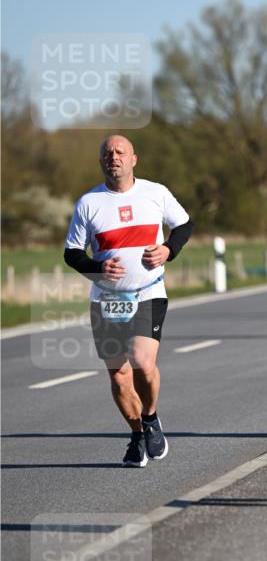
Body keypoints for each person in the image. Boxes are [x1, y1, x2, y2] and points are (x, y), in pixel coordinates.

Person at [64, 135, 193, 467]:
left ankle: (150, 417)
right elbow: (72, 253)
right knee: (119, 376)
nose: (114, 157)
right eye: (107, 153)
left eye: (120, 152)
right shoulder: (88, 203)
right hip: (105, 300)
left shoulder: (155, 192)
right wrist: (97, 267)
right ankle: (137, 436)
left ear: (133, 159)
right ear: (101, 162)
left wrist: (168, 249)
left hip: (148, 291)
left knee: (142, 362)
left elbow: (184, 225)